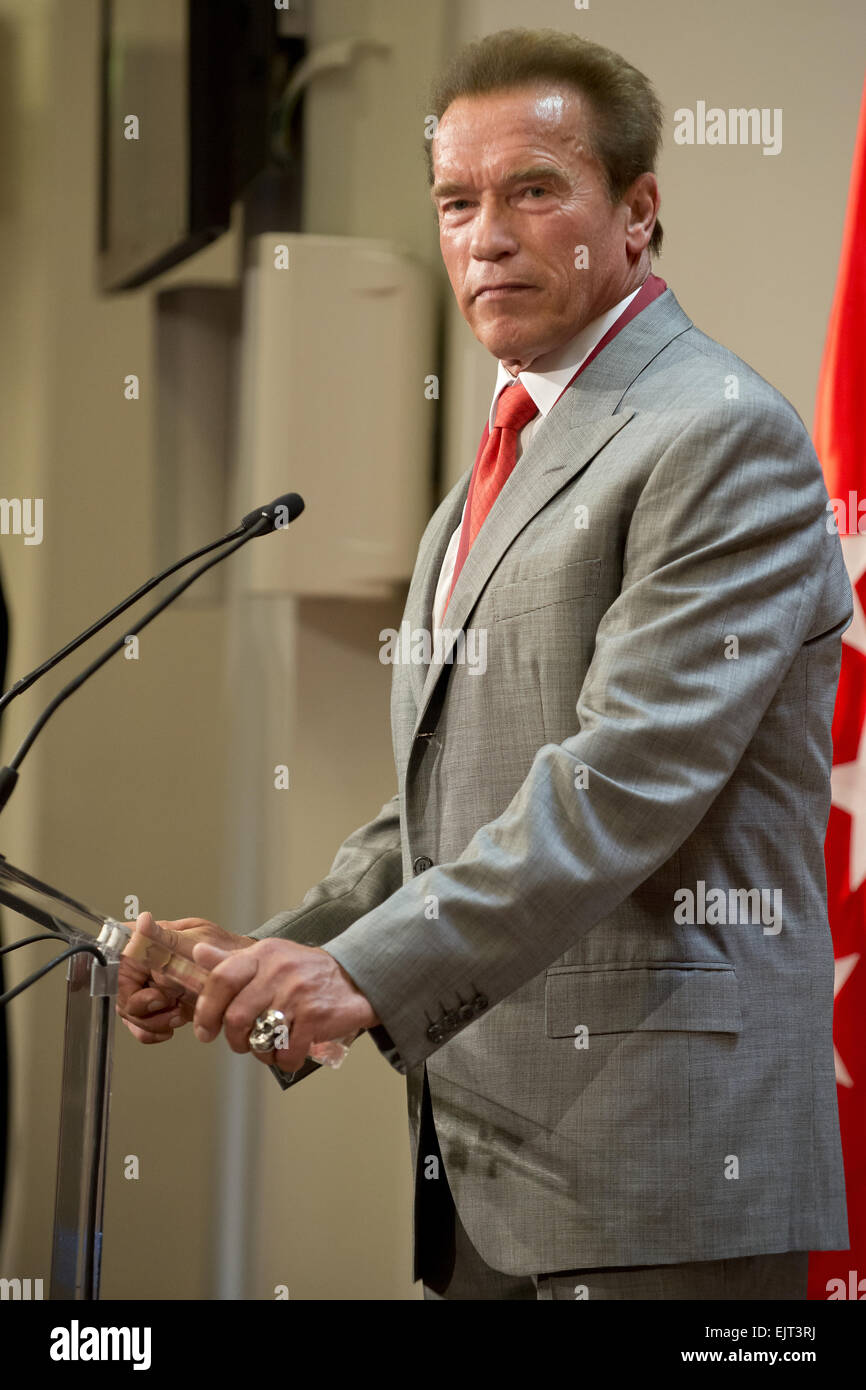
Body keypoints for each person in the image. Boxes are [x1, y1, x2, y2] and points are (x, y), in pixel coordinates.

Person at [117, 28, 851, 1300]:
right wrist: (269, 957)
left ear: (635, 214)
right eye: (455, 201)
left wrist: (354, 973)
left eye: (531, 190)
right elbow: (445, 807)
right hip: (487, 1165)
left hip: (661, 1175)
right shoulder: (481, 485)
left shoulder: (716, 437)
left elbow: (619, 783)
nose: (484, 235)